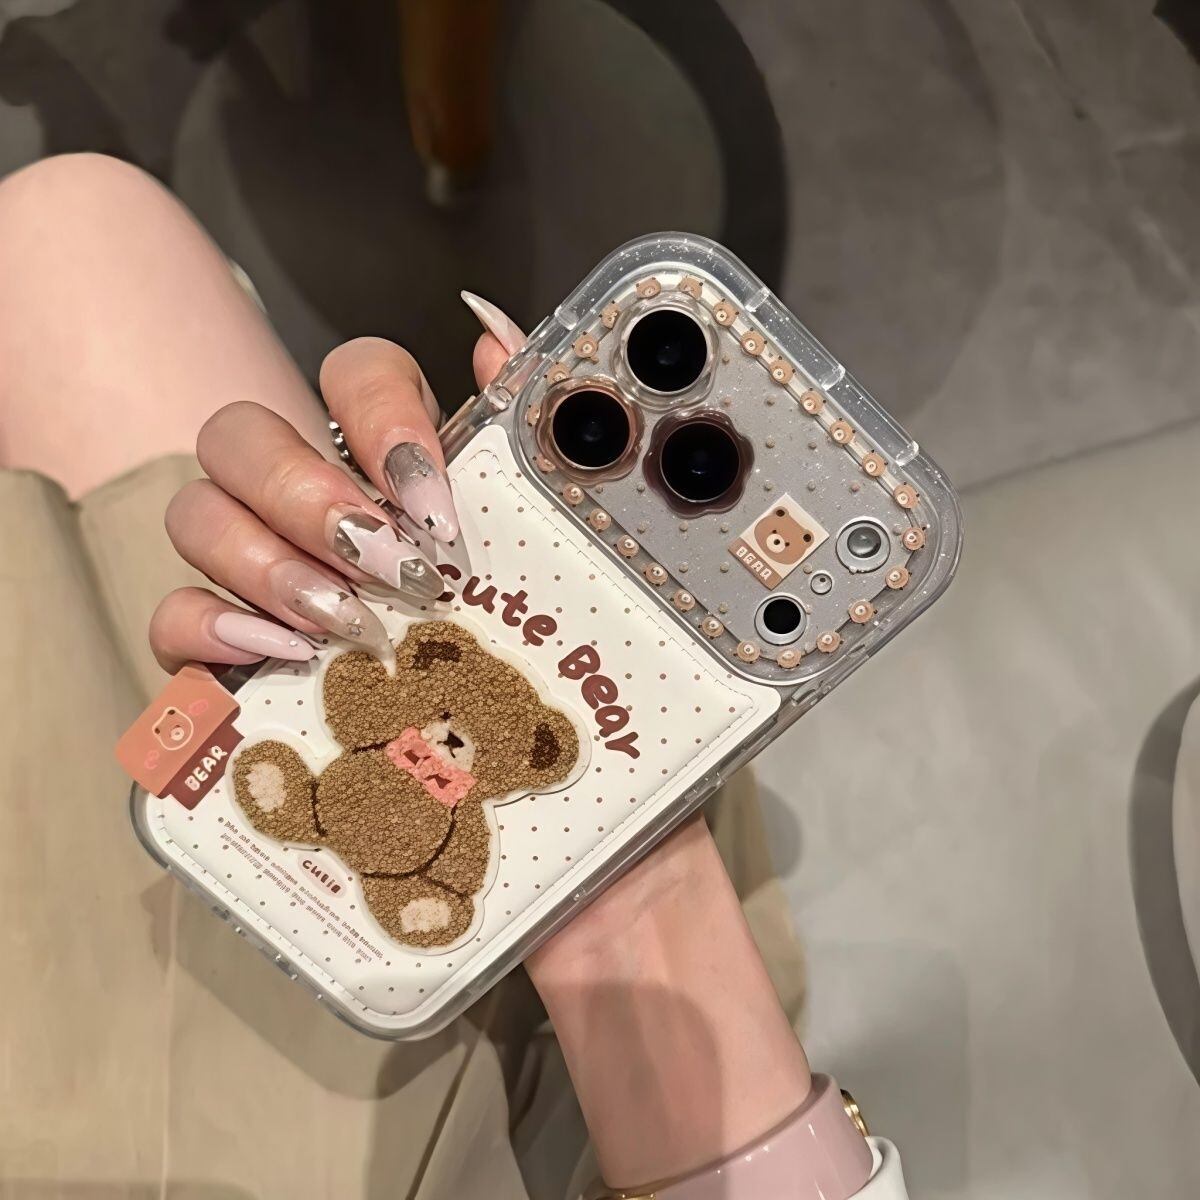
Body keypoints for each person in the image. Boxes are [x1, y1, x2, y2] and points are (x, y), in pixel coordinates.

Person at [0, 153, 907, 1198]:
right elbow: (369, 698)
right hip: (533, 1046)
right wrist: (633, 920)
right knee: (72, 226)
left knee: (69, 231)